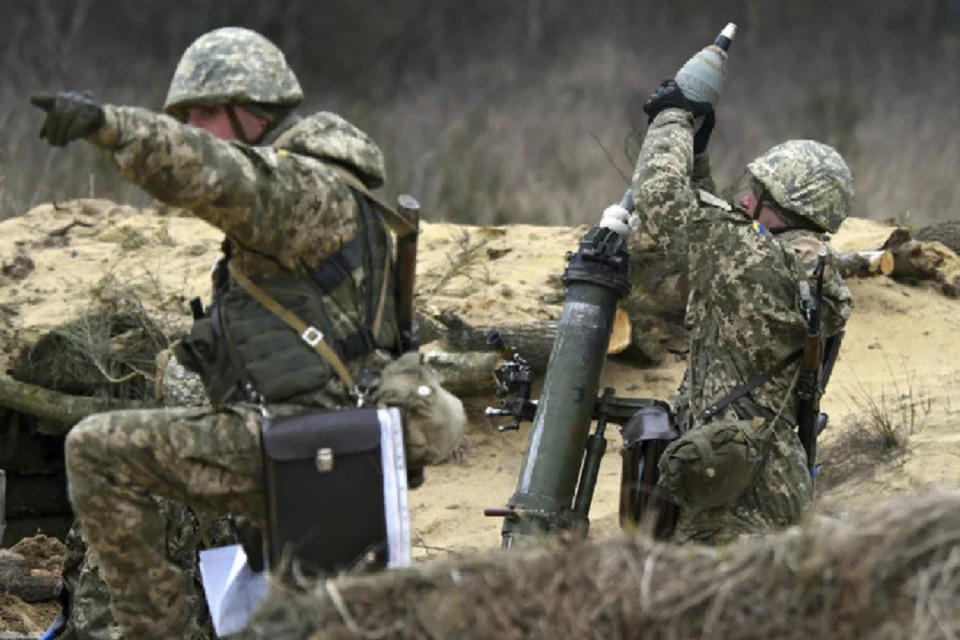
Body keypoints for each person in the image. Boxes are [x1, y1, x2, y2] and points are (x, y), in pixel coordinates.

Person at [30, 26, 465, 638]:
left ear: (252, 111)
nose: (195, 126)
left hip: (298, 437)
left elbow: (208, 172)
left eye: (206, 112)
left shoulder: (300, 189)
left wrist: (110, 125)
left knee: (96, 451)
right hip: (312, 437)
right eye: (186, 115)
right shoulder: (319, 188)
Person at [621, 79, 853, 544]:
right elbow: (724, 237)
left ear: (782, 205)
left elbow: (659, 200)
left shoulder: (752, 256)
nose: (745, 199)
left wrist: (672, 118)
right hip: (773, 483)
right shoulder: (805, 266)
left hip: (723, 500)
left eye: (757, 192)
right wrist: (699, 157)